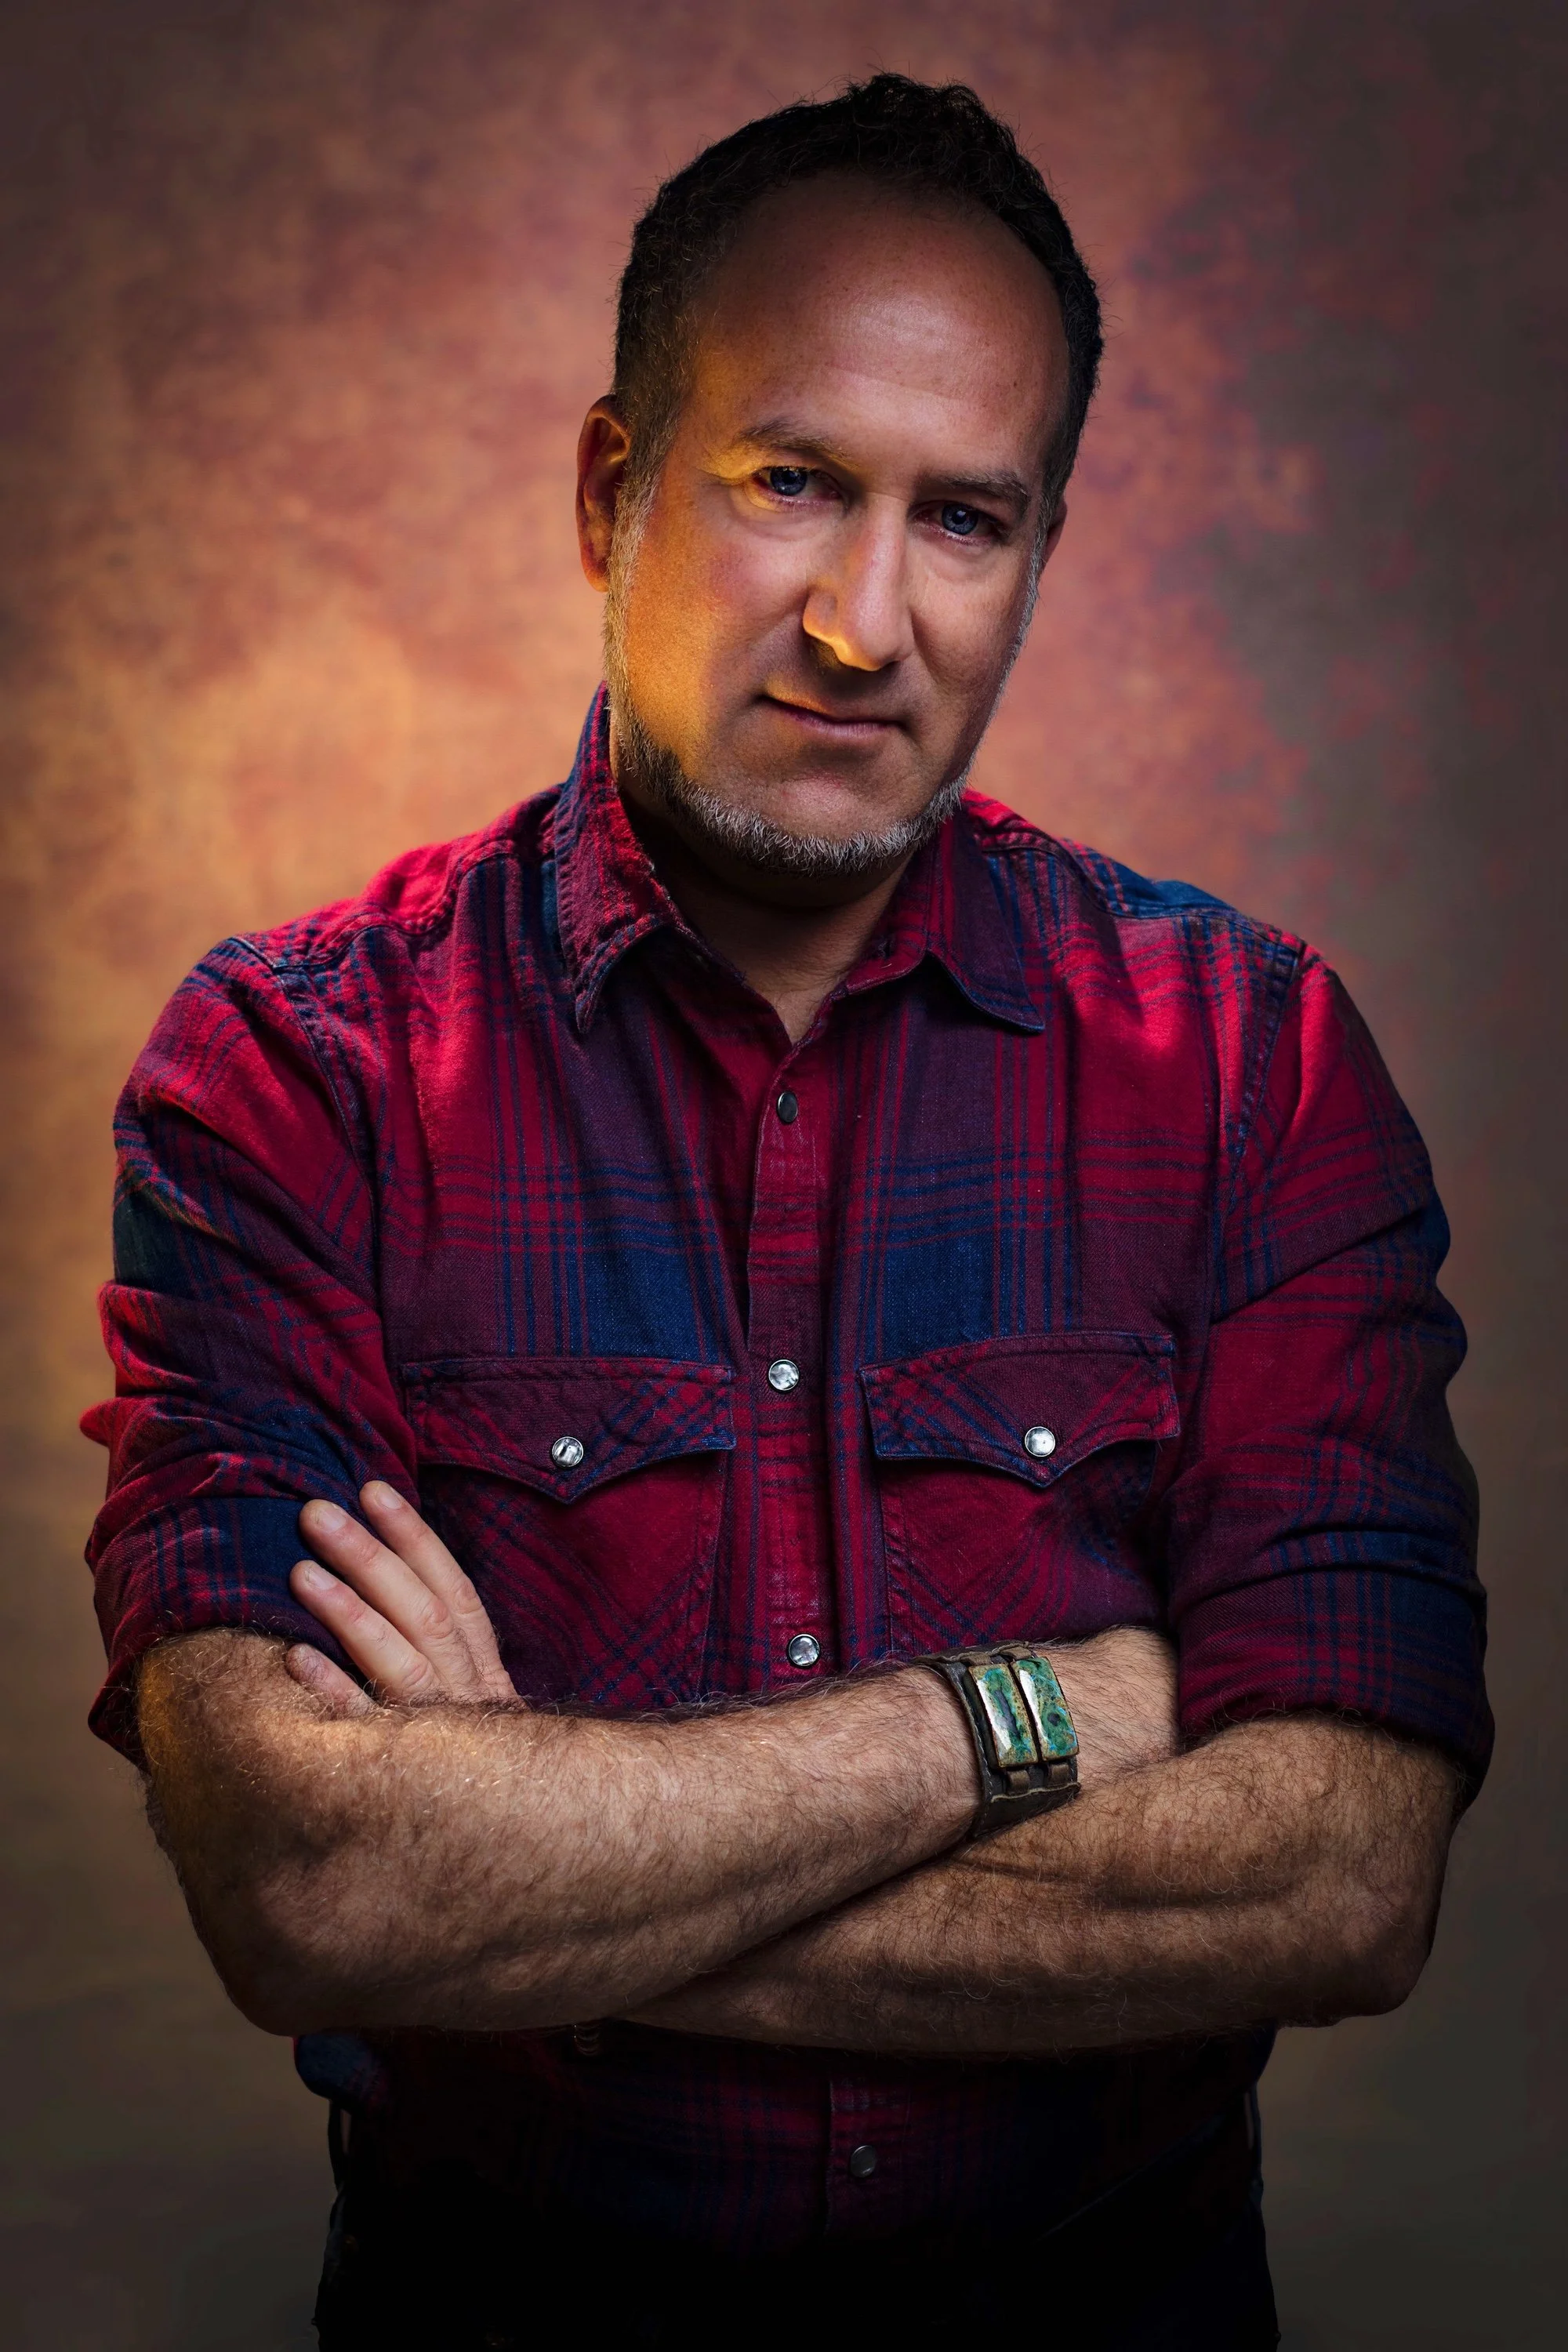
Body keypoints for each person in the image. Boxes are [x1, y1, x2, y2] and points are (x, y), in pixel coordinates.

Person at [84, 74, 1489, 2352]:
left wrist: (529, 1877)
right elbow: (315, 1882)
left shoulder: (1257, 1061)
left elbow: (1342, 1877)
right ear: (610, 490)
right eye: (792, 482)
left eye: (966, 519)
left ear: (1039, 555)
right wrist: (1041, 1715)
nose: (864, 619)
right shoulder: (296, 1076)